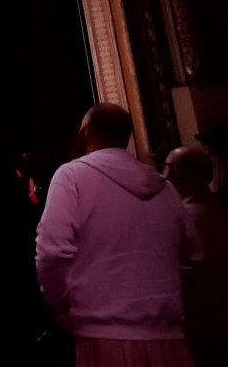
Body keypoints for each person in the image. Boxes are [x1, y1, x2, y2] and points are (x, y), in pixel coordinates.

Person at [36, 102, 198, 367]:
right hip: (170, 340)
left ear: (86, 131)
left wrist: (66, 311)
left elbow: (51, 253)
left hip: (103, 338)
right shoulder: (166, 189)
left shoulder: (71, 176)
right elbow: (192, 255)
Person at [164, 146, 228, 367]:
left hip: (200, 327)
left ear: (176, 173)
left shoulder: (186, 219)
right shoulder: (218, 209)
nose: (162, 176)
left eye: (166, 167)